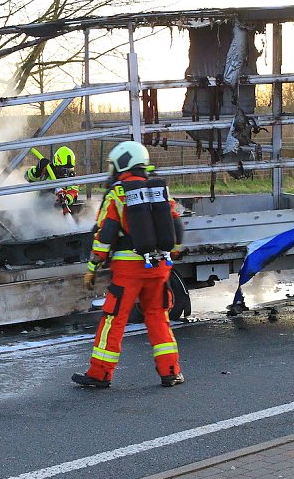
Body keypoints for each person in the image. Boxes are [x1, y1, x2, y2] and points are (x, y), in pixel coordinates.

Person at [72, 140, 185, 389]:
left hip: (128, 271)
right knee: (157, 316)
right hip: (158, 267)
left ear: (123, 163)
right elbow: (176, 228)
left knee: (114, 319)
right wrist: (169, 256)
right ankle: (170, 371)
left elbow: (105, 234)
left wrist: (93, 268)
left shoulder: (118, 192)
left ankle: (100, 374)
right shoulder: (159, 190)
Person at [25, 146, 80, 214]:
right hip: (38, 208)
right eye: (63, 170)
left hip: (56, 212)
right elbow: (28, 177)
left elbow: (73, 192)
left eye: (69, 169)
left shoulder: (71, 176)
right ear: (56, 165)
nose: (66, 173)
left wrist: (66, 199)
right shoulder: (46, 170)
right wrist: (37, 171)